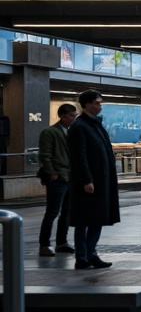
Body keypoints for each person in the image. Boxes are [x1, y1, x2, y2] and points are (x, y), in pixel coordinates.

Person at [67, 90, 120, 270]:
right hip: (89, 183)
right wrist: (86, 180)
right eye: (97, 103)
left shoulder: (95, 124)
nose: (100, 106)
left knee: (97, 218)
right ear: (87, 104)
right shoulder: (79, 126)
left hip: (101, 182)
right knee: (84, 220)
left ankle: (92, 253)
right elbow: (79, 156)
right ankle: (82, 257)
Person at [37, 103, 77, 257]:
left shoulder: (72, 131)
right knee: (52, 212)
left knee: (66, 212)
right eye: (71, 115)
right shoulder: (50, 132)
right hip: (57, 178)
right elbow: (45, 155)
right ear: (62, 116)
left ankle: (62, 242)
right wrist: (52, 173)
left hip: (70, 178)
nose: (74, 118)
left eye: (75, 115)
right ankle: (44, 244)